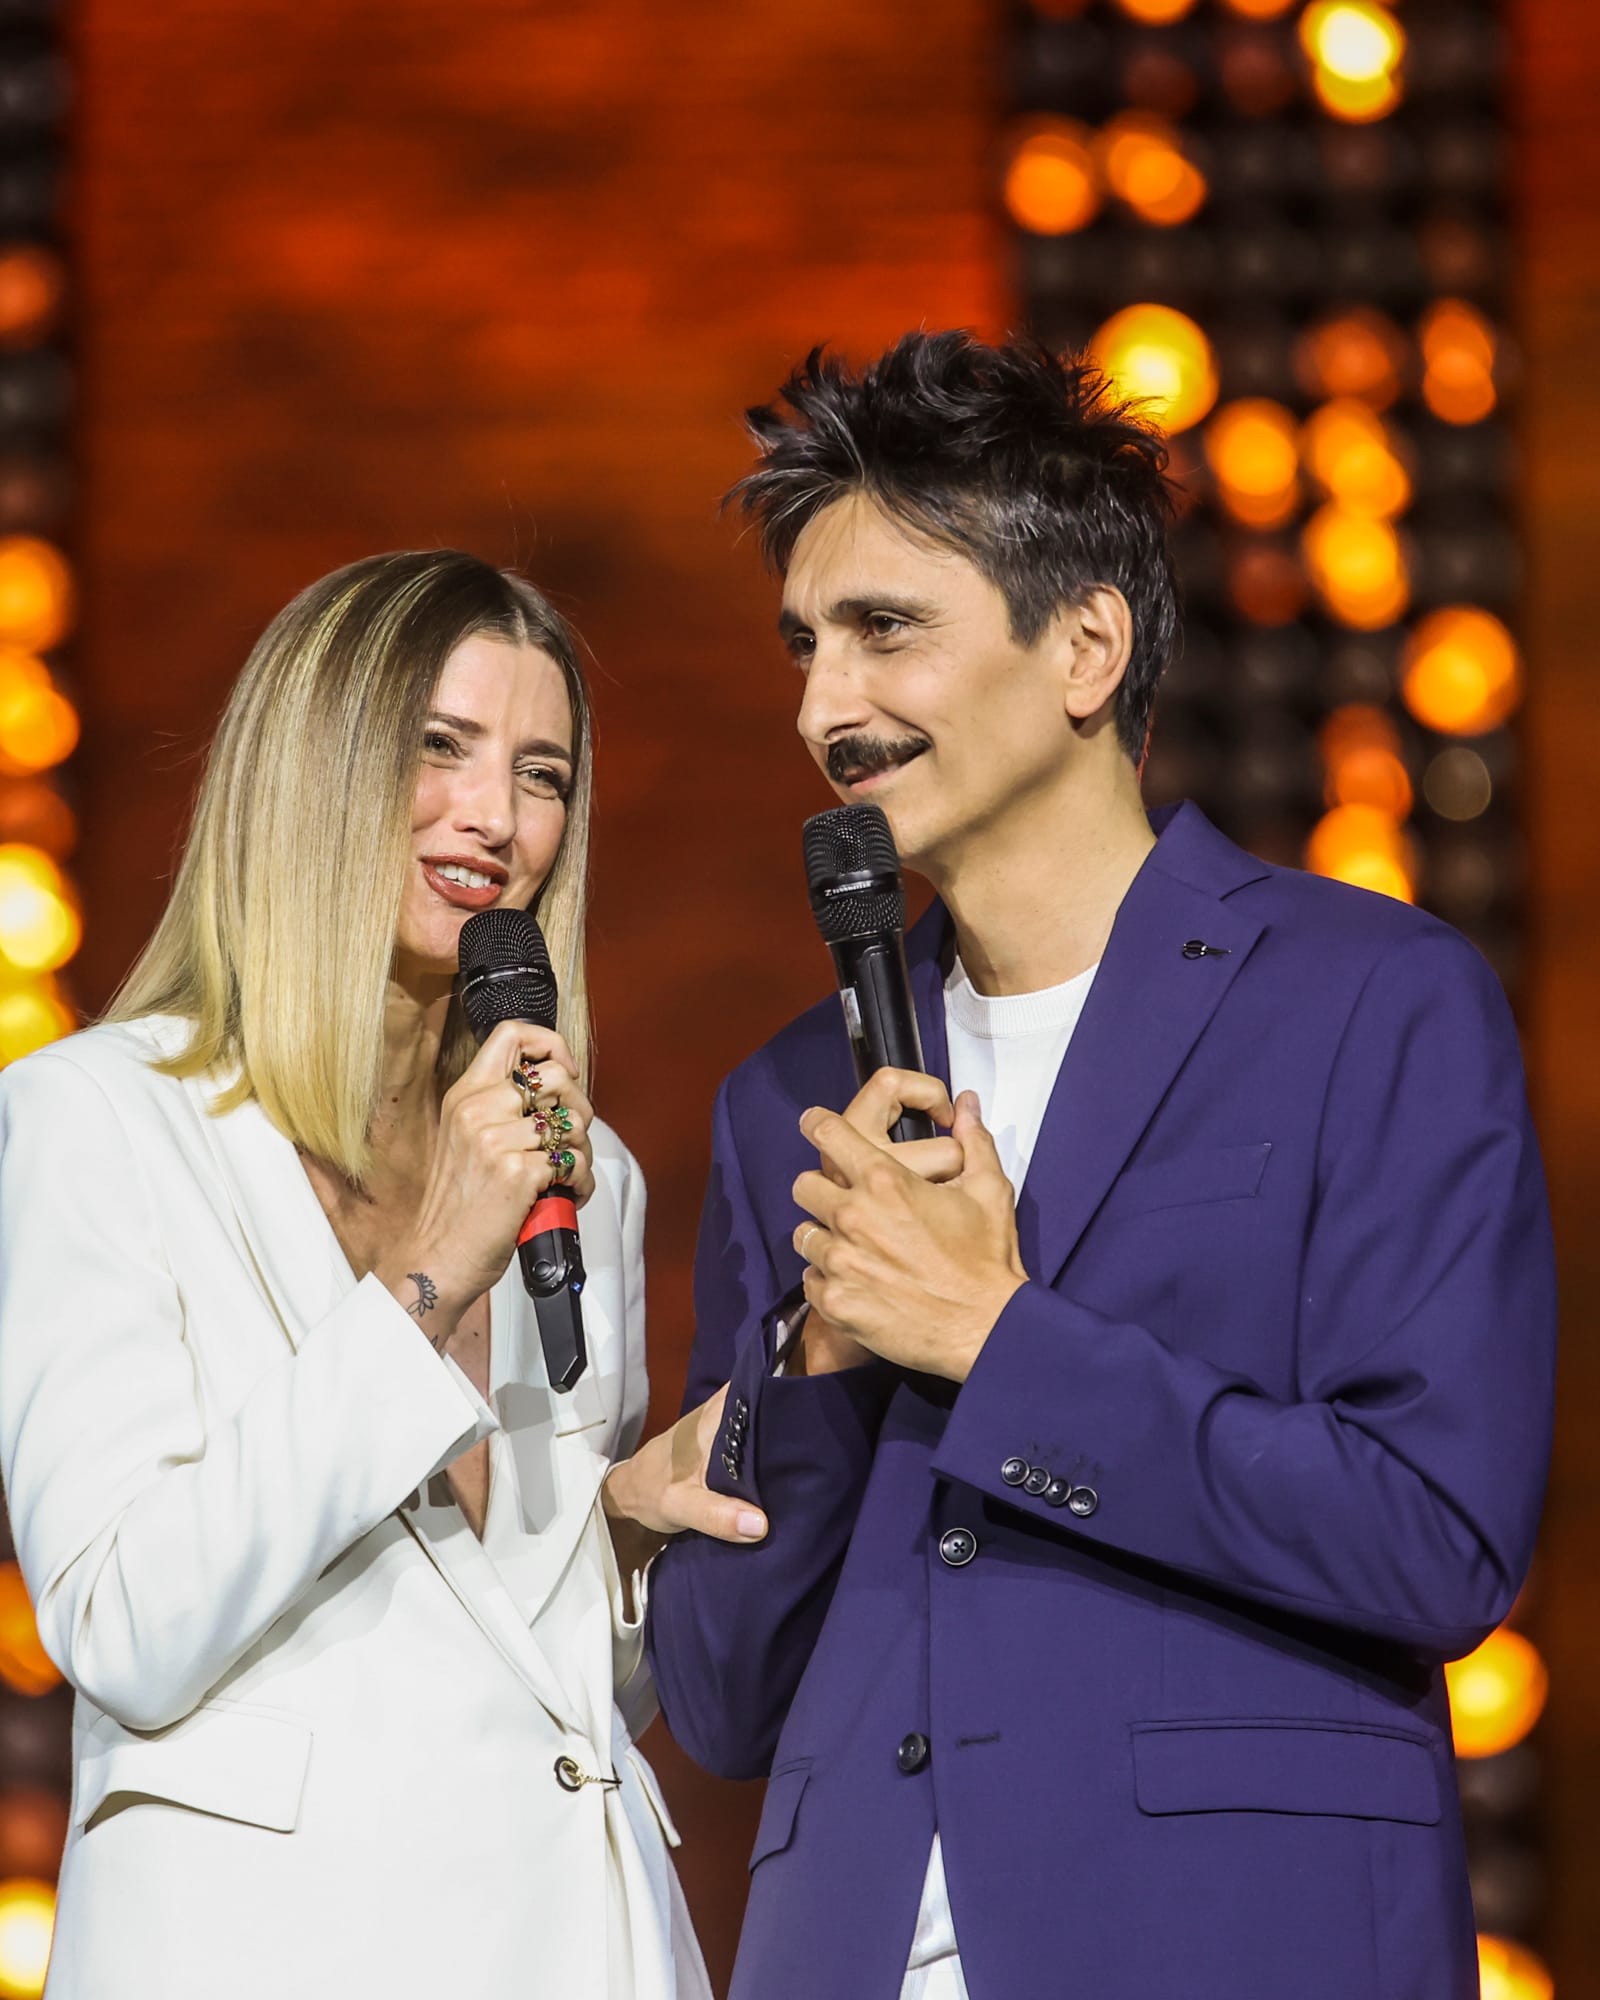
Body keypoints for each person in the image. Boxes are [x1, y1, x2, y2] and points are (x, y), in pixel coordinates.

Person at [643, 334, 1558, 2000]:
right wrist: (827, 1356)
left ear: (1085, 646)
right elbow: (719, 1698)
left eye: (885, 631)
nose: (822, 708)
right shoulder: (786, 1097)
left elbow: (1435, 1538)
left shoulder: (1369, 999)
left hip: (1224, 1938)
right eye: (804, 646)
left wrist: (997, 1343)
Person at [0, 550, 760, 2000]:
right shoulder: (98, 1121)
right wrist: (421, 1286)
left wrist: (625, 1531)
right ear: (311, 769)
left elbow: (549, 1683)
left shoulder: (578, 1170)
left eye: (541, 775)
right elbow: (125, 1624)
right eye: (439, 746)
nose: (497, 819)